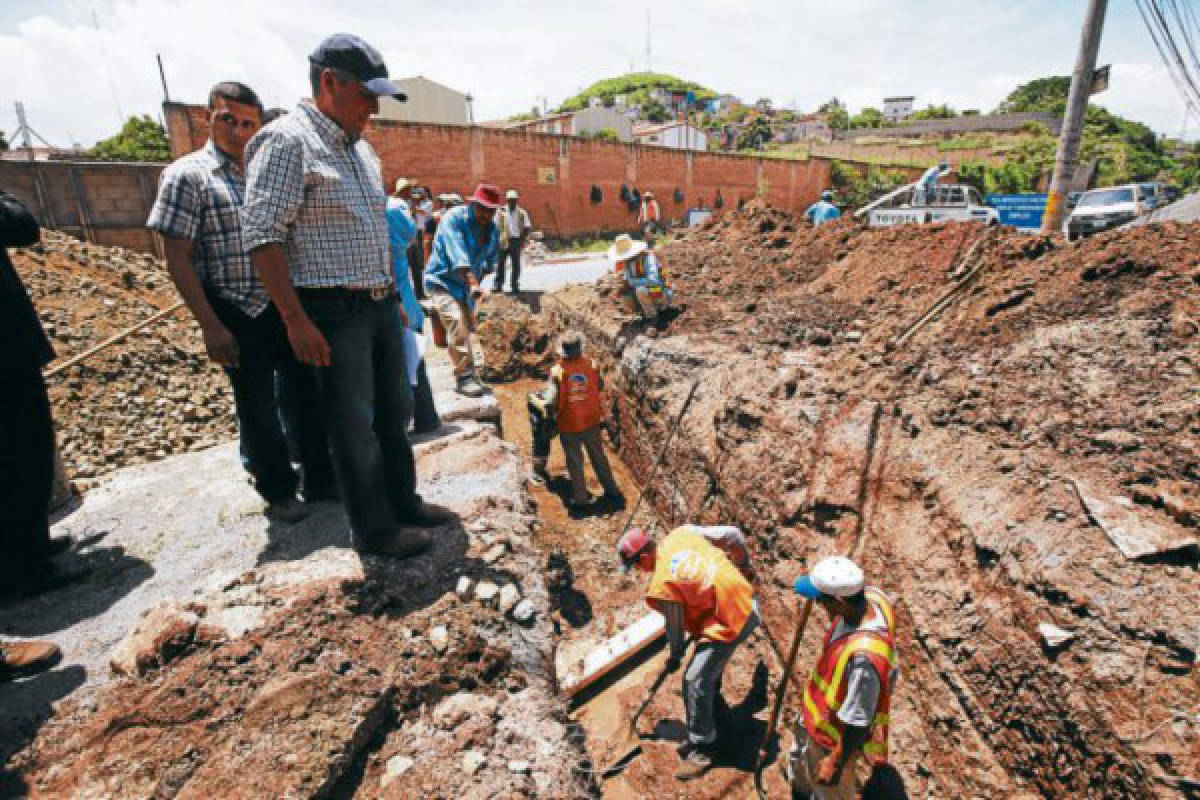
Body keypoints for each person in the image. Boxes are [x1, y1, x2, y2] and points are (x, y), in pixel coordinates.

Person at [241, 33, 452, 559]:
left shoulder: (361, 148)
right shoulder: (287, 142)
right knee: (352, 425)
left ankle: (404, 502)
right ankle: (375, 530)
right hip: (331, 310)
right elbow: (262, 236)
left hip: (378, 303)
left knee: (393, 413)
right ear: (330, 83)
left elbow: (373, 230)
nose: (373, 108)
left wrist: (396, 300)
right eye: (366, 95)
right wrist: (294, 319)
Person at [147, 81, 335, 523]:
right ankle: (278, 490)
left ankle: (320, 478)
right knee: (256, 405)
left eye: (248, 122)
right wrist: (210, 324)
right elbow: (177, 254)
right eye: (227, 119)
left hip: (285, 303)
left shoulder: (267, 171)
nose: (238, 129)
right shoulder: (188, 175)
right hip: (235, 308)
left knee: (305, 393)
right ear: (207, 117)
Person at [0, 189, 86, 597]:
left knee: (28, 450)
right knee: (16, 453)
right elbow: (19, 225)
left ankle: (31, 544)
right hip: (4, 356)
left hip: (10, 349)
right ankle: (22, 567)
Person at [617, 524, 759, 770]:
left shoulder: (663, 584)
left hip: (733, 617)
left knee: (693, 679)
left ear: (646, 556)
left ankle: (703, 745)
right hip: (743, 597)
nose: (639, 571)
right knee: (706, 671)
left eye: (637, 565)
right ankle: (715, 708)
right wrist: (744, 566)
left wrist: (675, 656)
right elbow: (734, 535)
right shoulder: (683, 533)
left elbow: (675, 629)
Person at [788, 556, 898, 800]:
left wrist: (835, 762)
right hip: (813, 720)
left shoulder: (863, 660)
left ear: (839, 602)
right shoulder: (873, 597)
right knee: (801, 772)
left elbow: (858, 719)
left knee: (828, 792)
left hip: (830, 739)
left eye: (821, 601)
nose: (818, 605)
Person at [423, 183, 500, 398]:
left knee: (467, 327)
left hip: (466, 287)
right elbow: (458, 256)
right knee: (456, 322)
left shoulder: (492, 230)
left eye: (491, 210)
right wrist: (473, 283)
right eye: (482, 208)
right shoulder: (454, 219)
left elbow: (489, 263)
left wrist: (478, 286)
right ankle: (464, 377)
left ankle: (472, 372)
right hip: (442, 281)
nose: (486, 214)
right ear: (473, 204)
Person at [539, 331, 623, 508]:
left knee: (575, 462)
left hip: (570, 423)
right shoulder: (591, 365)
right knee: (599, 457)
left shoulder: (558, 372)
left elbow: (551, 401)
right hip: (591, 419)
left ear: (563, 350)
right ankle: (612, 491)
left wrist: (547, 412)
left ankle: (581, 500)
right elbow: (599, 385)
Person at [385, 181, 440, 434]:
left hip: (397, 308)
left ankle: (402, 422)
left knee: (401, 367)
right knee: (415, 366)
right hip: (409, 307)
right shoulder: (399, 223)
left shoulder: (385, 224)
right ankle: (426, 418)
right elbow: (411, 233)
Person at [608, 233, 673, 326]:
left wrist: (632, 282)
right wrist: (621, 289)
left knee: (640, 289)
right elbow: (628, 280)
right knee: (625, 296)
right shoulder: (628, 263)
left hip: (661, 294)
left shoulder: (648, 258)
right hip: (647, 293)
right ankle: (644, 313)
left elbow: (653, 280)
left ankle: (653, 317)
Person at [494, 189, 531, 294]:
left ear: (517, 200)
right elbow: (494, 226)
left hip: (516, 240)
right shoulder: (500, 212)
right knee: (501, 263)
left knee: (516, 264)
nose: (512, 202)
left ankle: (514, 285)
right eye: (510, 200)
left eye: (514, 200)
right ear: (507, 200)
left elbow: (527, 227)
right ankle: (498, 285)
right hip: (503, 240)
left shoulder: (522, 213)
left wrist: (522, 240)